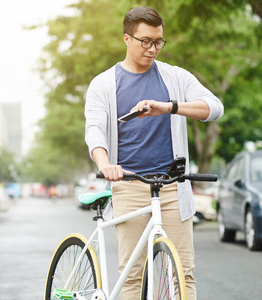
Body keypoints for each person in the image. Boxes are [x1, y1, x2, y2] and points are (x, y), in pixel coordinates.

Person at [84, 6, 224, 300]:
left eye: (158, 41)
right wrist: (106, 163)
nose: (153, 49)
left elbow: (214, 108)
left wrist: (169, 106)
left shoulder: (175, 77)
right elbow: (95, 129)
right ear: (127, 38)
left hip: (172, 187)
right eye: (145, 41)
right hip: (130, 185)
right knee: (132, 275)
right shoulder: (104, 84)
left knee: (182, 273)